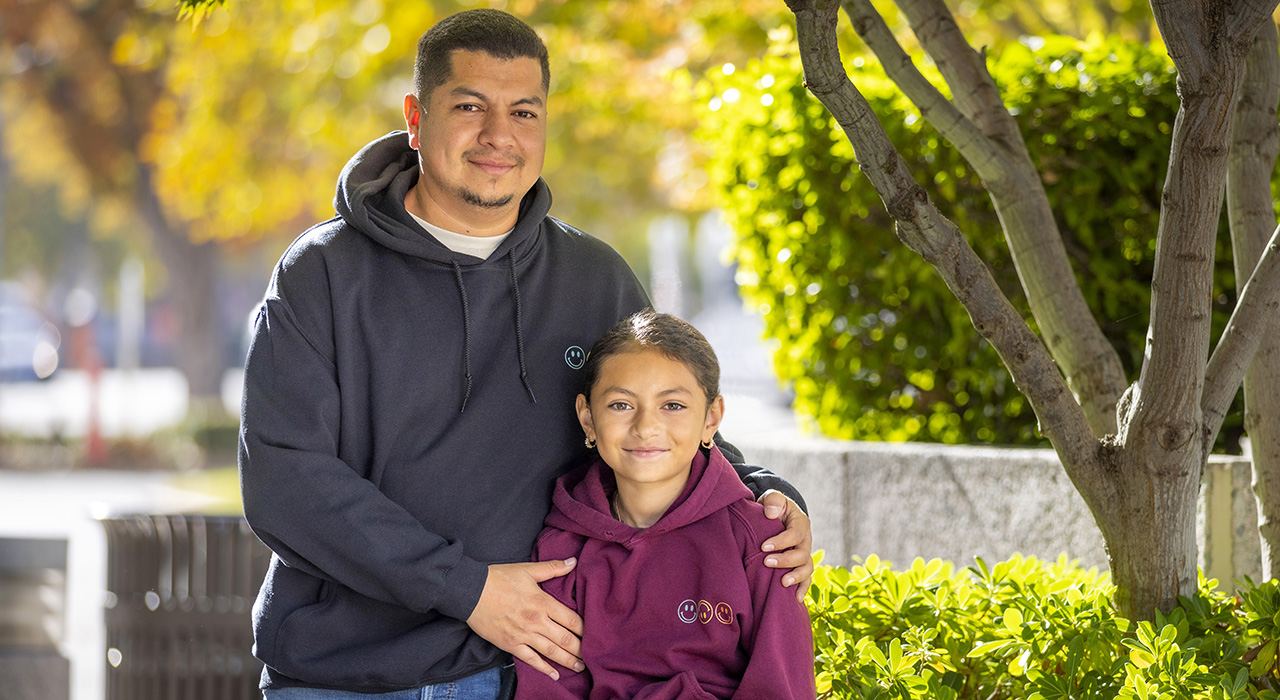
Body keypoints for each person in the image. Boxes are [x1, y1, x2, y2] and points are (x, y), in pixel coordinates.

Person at [238, 9, 814, 699]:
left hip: (524, 676)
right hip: (343, 677)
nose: (498, 135)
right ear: (417, 119)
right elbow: (284, 481)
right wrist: (469, 589)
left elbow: (662, 419)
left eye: (524, 111)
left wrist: (767, 496)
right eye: (470, 106)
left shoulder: (593, 278)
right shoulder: (320, 276)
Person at [514, 310, 817, 699]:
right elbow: (549, 688)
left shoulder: (763, 542)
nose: (645, 427)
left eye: (671, 405)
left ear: (711, 418)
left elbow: (782, 687)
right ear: (587, 419)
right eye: (621, 405)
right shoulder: (560, 549)